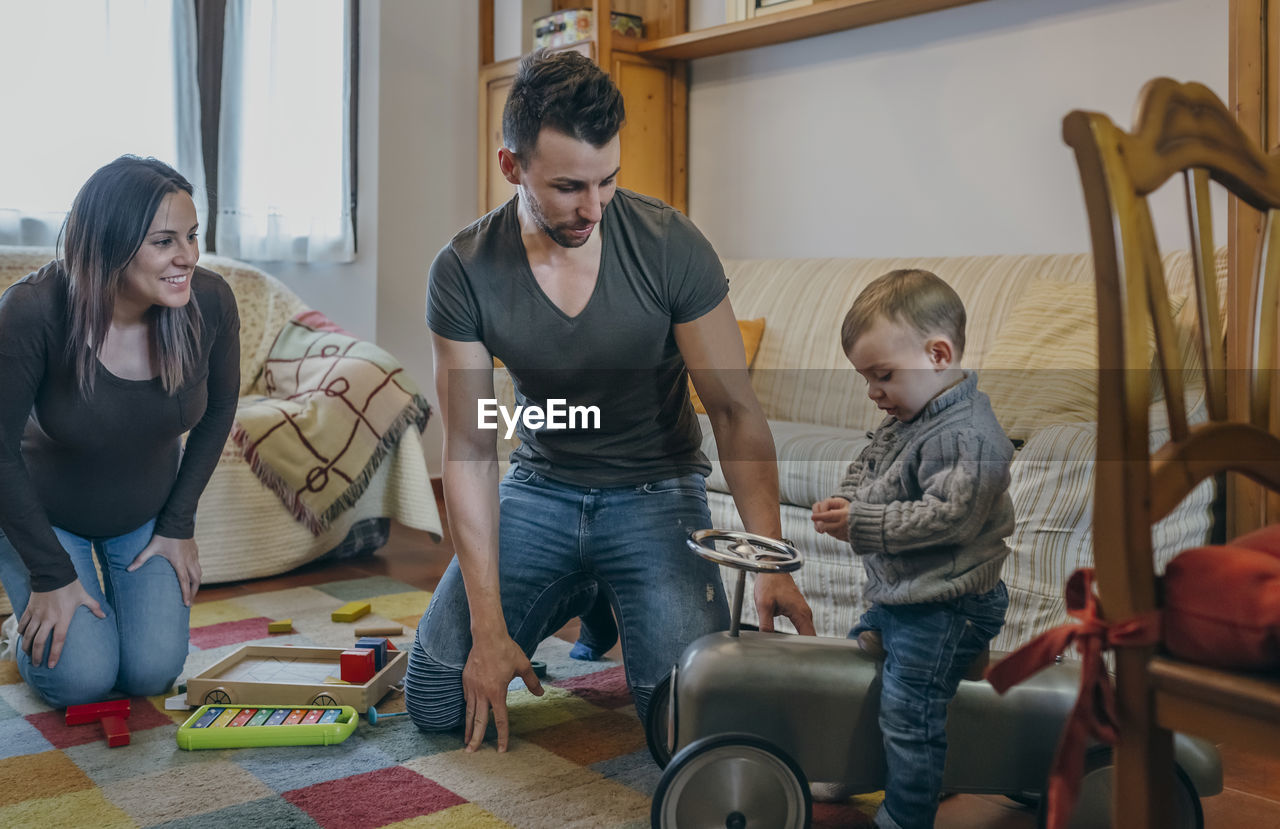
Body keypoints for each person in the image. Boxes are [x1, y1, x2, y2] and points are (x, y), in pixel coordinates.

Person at [409, 48, 814, 752]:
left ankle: (606, 583)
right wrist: (487, 628)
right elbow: (471, 447)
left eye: (608, 181)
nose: (593, 208)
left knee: (685, 726)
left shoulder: (669, 244)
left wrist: (769, 555)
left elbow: (733, 408)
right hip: (542, 486)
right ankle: (589, 589)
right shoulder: (464, 269)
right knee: (441, 698)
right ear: (512, 166)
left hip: (657, 489)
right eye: (569, 186)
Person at [0, 156, 240, 708]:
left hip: (144, 517)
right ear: (109, 244)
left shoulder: (209, 300)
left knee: (150, 673)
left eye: (192, 235)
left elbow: (221, 405)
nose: (187, 257)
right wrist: (49, 573)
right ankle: (22, 628)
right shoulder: (32, 310)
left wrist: (178, 524)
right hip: (45, 520)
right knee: (81, 680)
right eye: (164, 242)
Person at [810, 269, 1013, 829]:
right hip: (906, 596)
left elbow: (952, 517)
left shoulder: (967, 435)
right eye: (866, 378)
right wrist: (845, 502)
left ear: (939, 354)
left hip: (947, 605)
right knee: (863, 672)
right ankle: (859, 763)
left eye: (883, 375)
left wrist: (865, 522)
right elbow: (867, 463)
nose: (873, 392)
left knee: (909, 710)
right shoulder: (907, 416)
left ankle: (906, 814)